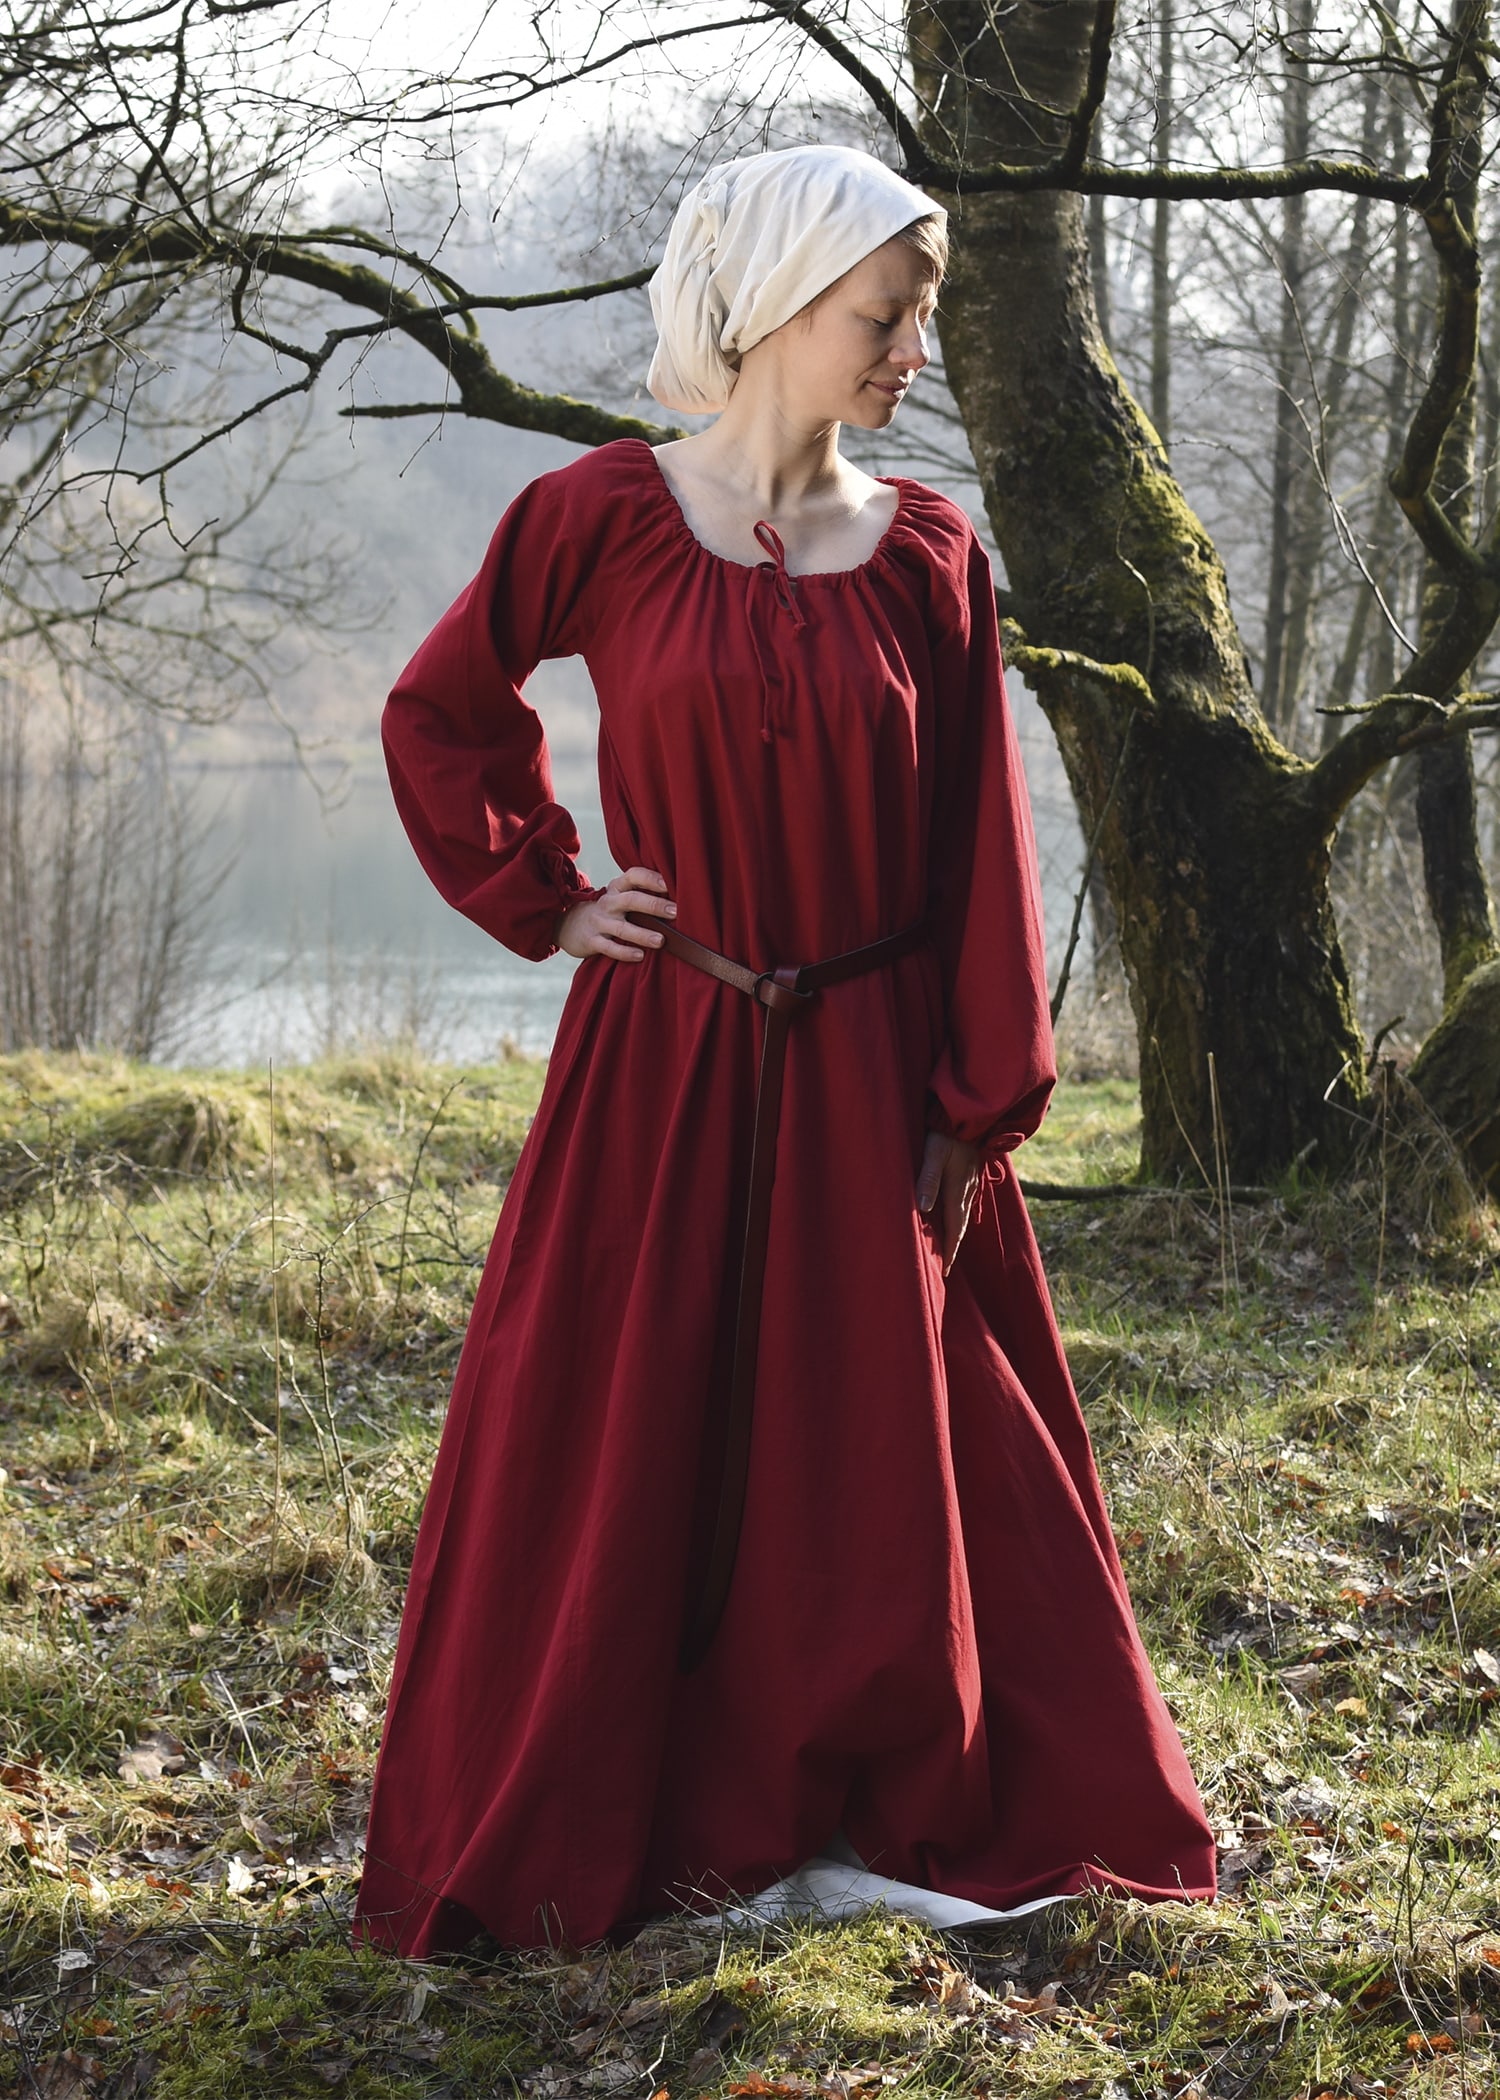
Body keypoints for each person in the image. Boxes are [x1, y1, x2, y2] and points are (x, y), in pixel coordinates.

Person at [354, 142, 1215, 1958]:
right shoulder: (596, 517)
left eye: (922, 318)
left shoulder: (930, 554)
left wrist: (976, 1103)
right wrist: (552, 897)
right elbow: (441, 711)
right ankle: (627, 1792)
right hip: (662, 1063)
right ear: (774, 308)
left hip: (873, 1076)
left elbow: (978, 842)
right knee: (624, 1447)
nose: (914, 350)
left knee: (876, 1455)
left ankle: (879, 1776)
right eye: (884, 316)